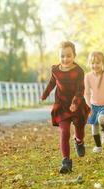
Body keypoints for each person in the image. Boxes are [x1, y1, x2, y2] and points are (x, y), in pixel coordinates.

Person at [41, 41, 90, 174]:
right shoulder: (55, 70)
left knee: (79, 129)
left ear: (74, 56)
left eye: (68, 56)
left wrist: (75, 103)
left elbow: (80, 89)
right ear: (59, 57)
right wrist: (45, 93)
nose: (65, 59)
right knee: (64, 132)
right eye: (62, 56)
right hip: (62, 105)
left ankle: (79, 141)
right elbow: (52, 82)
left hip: (77, 105)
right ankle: (66, 161)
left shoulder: (78, 71)